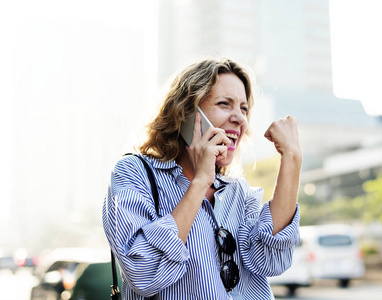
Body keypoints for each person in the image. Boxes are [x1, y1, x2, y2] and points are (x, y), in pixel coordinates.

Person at [102, 58, 302, 300]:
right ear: (186, 114)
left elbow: (271, 260)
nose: (239, 118)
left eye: (243, 108)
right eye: (224, 104)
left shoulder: (239, 191)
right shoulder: (134, 173)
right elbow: (144, 274)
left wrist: (291, 159)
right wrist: (199, 182)